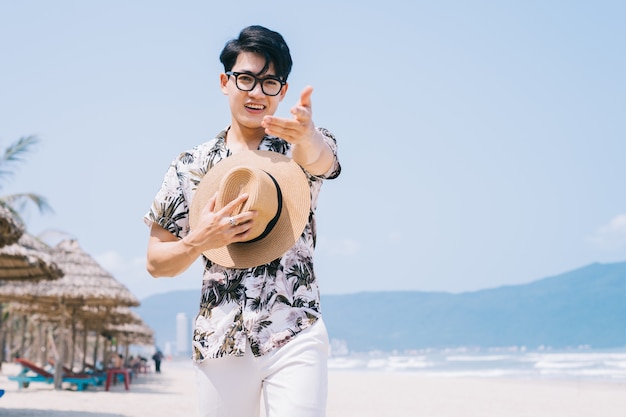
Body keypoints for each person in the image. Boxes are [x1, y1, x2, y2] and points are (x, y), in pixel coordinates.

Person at [144, 25, 340, 417]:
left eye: (270, 83)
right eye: (247, 78)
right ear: (225, 81)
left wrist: (309, 134)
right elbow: (155, 262)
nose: (256, 92)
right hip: (221, 337)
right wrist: (198, 240)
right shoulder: (190, 166)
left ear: (283, 92)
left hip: (294, 327)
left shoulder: (296, 146)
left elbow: (322, 159)